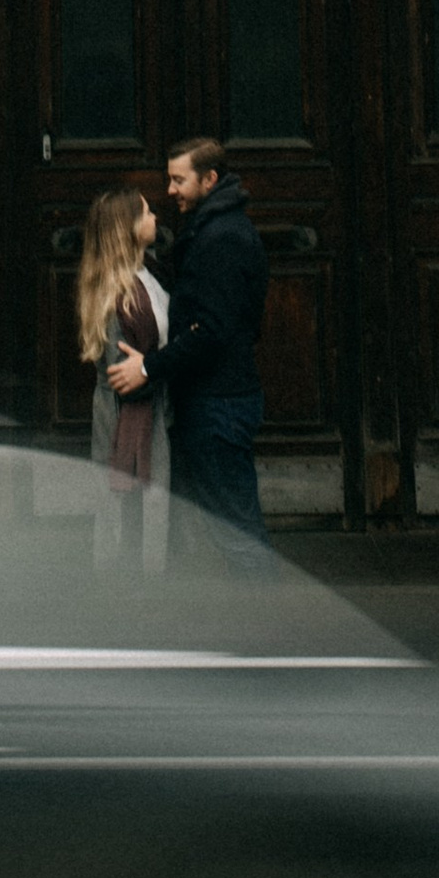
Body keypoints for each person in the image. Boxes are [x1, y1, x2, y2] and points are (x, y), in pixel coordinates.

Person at [105, 136, 269, 563]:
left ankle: (272, 622)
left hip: (219, 404)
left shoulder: (220, 239)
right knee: (224, 529)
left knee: (236, 532)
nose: (171, 190)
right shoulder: (211, 229)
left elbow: (211, 330)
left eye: (179, 180)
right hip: (215, 399)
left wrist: (150, 368)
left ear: (209, 179)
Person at [77, 184, 171, 575]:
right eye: (147, 213)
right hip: (128, 413)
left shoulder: (148, 273)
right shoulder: (118, 294)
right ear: (128, 227)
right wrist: (158, 366)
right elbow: (122, 372)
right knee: (127, 507)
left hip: (155, 406)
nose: (155, 218)